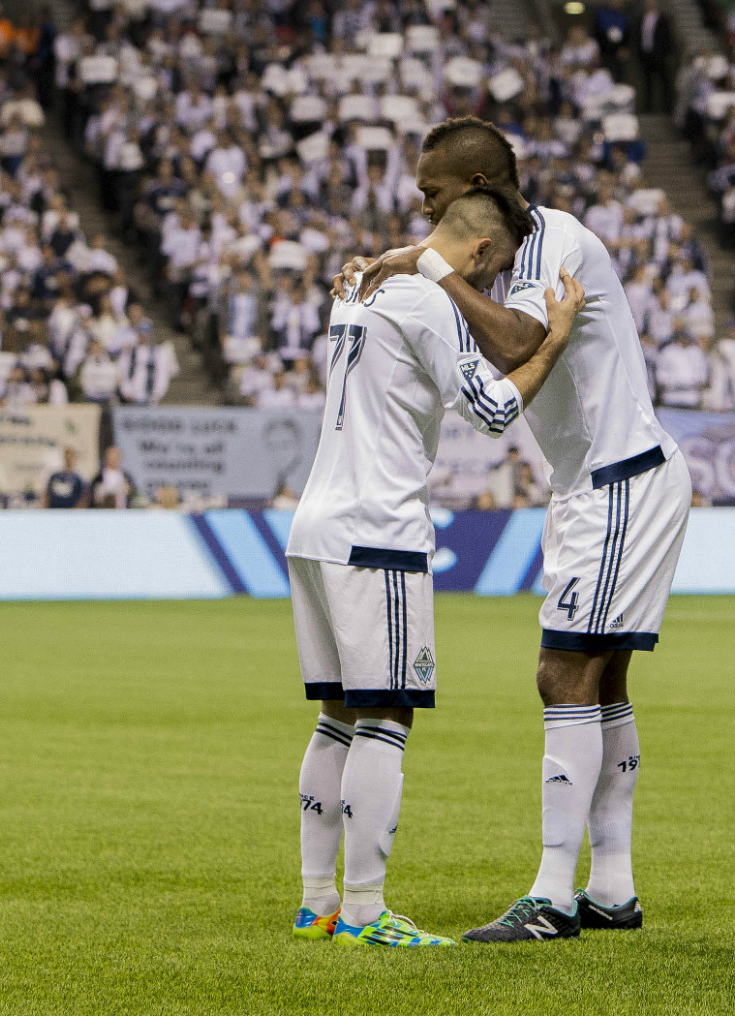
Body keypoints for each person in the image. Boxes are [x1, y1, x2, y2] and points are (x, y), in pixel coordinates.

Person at [342, 116, 693, 943]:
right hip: (597, 487)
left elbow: (522, 344)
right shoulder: (505, 262)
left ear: (473, 188)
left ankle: (550, 898)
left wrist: (426, 267)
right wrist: (408, 263)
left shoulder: (553, 242)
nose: (423, 210)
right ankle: (610, 889)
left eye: (432, 194)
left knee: (560, 673)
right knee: (601, 683)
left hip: (619, 485)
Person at [289, 186, 576, 949]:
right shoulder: (424, 299)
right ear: (480, 250)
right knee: (387, 715)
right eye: (499, 266)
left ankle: (317, 901)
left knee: (338, 717)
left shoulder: (357, 286)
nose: (493, 285)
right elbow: (487, 408)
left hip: (315, 524)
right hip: (376, 530)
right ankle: (363, 910)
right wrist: (553, 340)